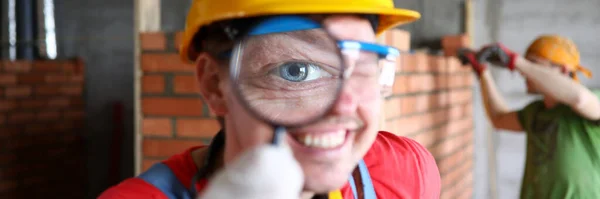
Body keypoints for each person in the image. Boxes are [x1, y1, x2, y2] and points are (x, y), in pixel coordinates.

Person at [99, 0, 441, 198]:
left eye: (364, 66)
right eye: (297, 70)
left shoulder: (406, 171)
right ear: (215, 85)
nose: (346, 106)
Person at [461, 35, 600, 199]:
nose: (524, 72)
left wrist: (517, 62)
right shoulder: (536, 111)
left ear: (563, 70)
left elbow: (580, 98)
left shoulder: (592, 101)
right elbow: (498, 118)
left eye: (533, 64)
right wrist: (482, 72)